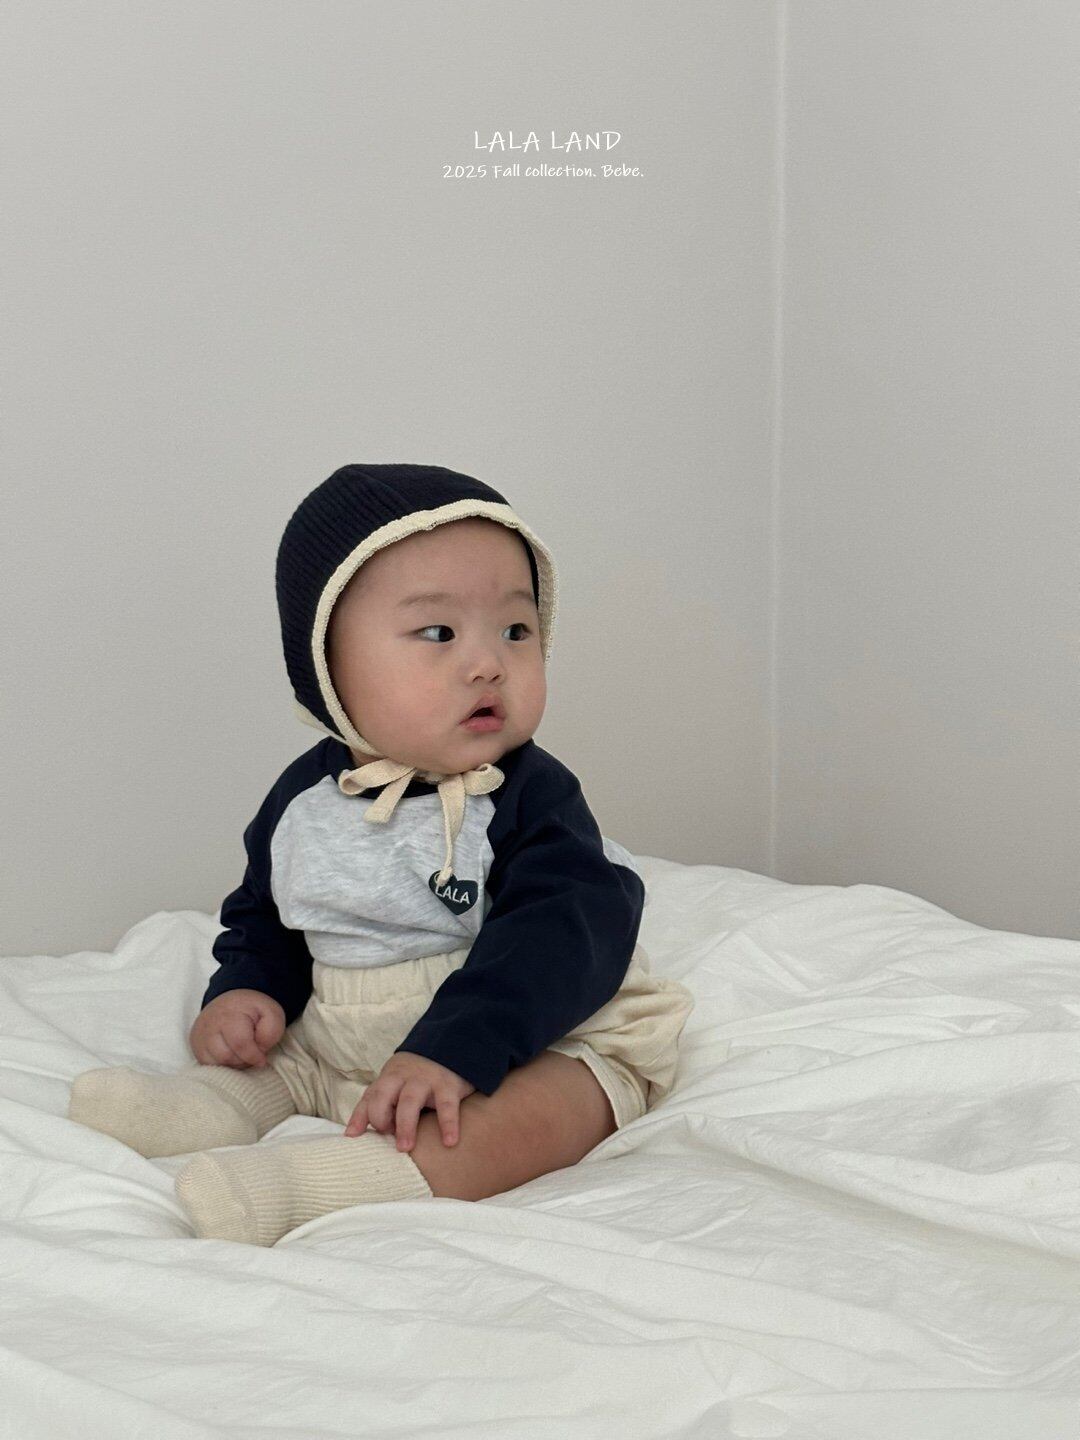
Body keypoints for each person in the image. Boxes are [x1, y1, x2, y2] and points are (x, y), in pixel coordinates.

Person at [69, 463, 695, 1246]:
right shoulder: (305, 802)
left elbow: (563, 931)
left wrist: (457, 1047)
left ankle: (328, 1183)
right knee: (284, 1059)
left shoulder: (529, 797)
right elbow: (269, 914)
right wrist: (246, 991)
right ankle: (208, 1108)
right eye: (439, 633)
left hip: (523, 1030)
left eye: (516, 630)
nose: (488, 663)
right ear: (326, 667)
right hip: (347, 1039)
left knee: (547, 1108)